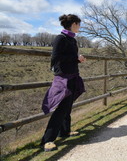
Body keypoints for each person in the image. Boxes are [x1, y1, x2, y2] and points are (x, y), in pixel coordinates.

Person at [40, 14, 86, 152]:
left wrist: (78, 60)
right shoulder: (61, 38)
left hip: (73, 76)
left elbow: (70, 58)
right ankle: (47, 140)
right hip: (63, 78)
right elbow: (56, 57)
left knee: (68, 106)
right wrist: (75, 58)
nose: (79, 26)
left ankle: (65, 131)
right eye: (78, 24)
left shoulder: (72, 40)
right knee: (61, 109)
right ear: (73, 24)